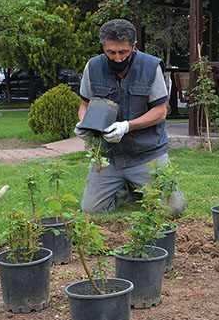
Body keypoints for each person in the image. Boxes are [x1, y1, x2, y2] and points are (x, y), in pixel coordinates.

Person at [75, 19, 186, 215]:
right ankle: (126, 188)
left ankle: (137, 183)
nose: (117, 59)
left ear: (134, 46)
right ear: (103, 47)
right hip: (109, 158)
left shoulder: (151, 67)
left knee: (173, 209)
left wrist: (127, 126)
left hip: (147, 155)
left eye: (123, 53)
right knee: (92, 210)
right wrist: (84, 124)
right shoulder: (92, 67)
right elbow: (85, 104)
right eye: (111, 53)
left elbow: (160, 112)